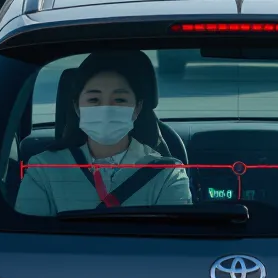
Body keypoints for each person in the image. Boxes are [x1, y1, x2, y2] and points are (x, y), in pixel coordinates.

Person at [16, 51, 192, 214]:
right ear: (77, 107)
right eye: (94, 99)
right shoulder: (43, 170)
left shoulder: (167, 174)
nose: (106, 108)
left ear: (137, 109)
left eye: (119, 99)